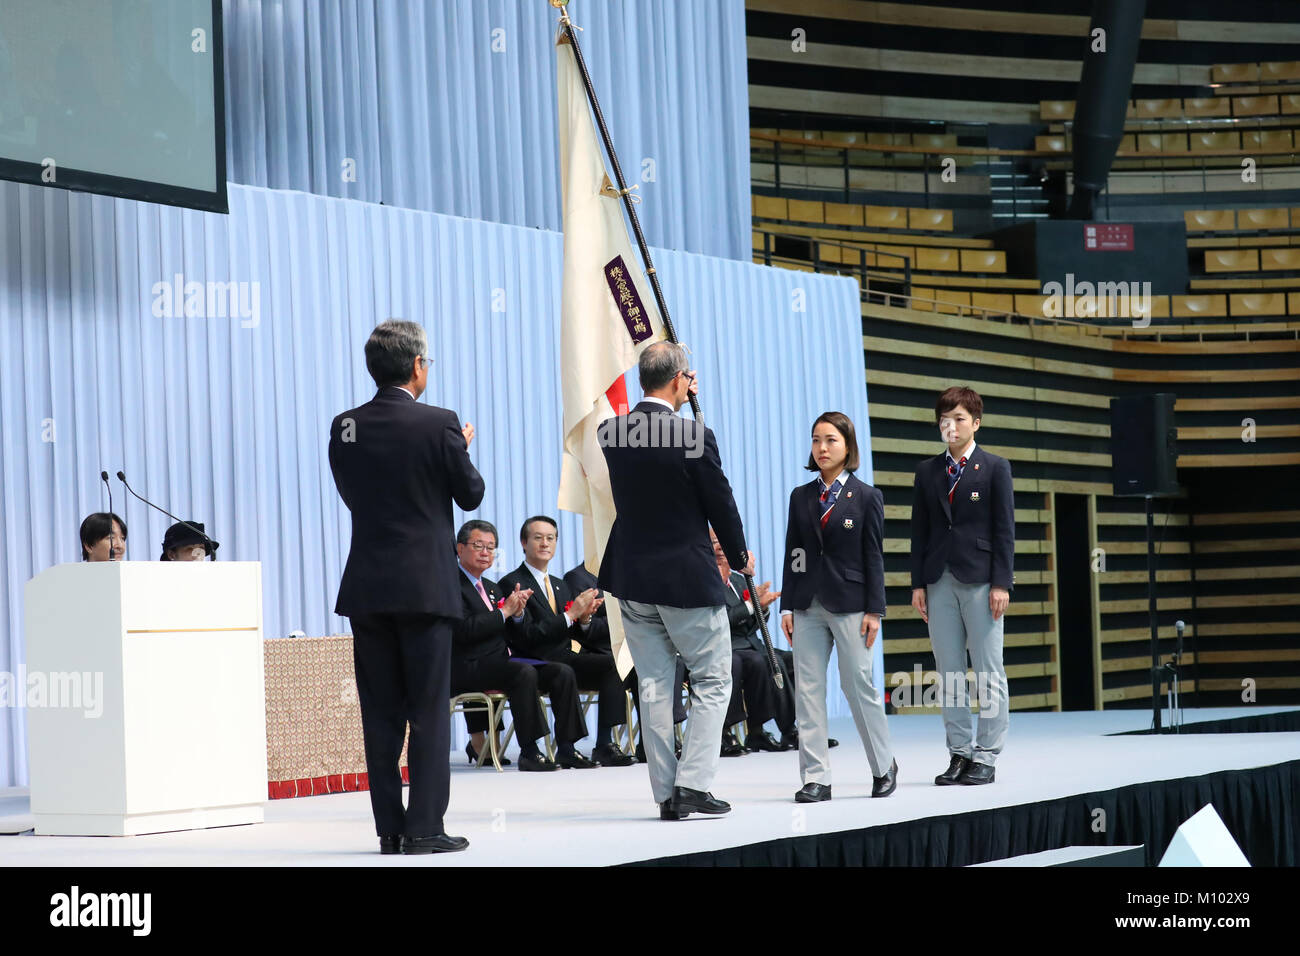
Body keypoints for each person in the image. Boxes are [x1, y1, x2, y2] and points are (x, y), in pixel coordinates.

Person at [328, 319, 484, 855]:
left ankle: (390, 829)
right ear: (418, 366)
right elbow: (470, 496)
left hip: (368, 586)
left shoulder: (344, 425)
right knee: (428, 709)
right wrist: (458, 450)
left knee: (381, 712)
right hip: (424, 588)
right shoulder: (440, 423)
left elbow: (354, 495)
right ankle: (425, 829)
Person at [598, 341, 751, 821]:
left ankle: (666, 793)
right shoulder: (695, 437)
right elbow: (718, 502)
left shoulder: (611, 433)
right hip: (685, 576)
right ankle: (693, 784)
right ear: (679, 379)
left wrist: (679, 395)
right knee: (712, 678)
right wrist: (740, 554)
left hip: (632, 575)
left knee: (654, 685)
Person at [780, 411, 897, 803]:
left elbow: (874, 557)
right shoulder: (801, 496)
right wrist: (787, 604)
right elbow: (794, 552)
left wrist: (874, 610)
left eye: (830, 440)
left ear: (847, 446)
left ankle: (883, 766)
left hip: (851, 604)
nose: (822, 447)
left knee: (857, 686)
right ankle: (816, 777)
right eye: (816, 440)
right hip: (808, 605)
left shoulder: (867, 497)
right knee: (808, 691)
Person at [910, 386, 1013, 786]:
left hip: (982, 580)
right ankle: (959, 752)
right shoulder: (927, 471)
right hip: (938, 581)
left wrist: (1001, 582)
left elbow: (1005, 531)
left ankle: (986, 754)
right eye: (944, 419)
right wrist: (918, 582)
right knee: (949, 671)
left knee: (988, 670)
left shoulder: (995, 467)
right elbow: (920, 531)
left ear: (976, 423)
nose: (950, 425)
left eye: (958, 419)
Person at [450, 520, 591, 772]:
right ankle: (529, 750)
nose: (485, 552)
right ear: (460, 549)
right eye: (478, 546)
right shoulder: (449, 586)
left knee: (561, 671)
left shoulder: (492, 589)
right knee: (522, 672)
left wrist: (517, 614)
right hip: (466, 666)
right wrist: (505, 612)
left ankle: (567, 748)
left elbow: (513, 633)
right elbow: (463, 631)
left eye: (491, 547)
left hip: (499, 662)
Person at [499, 516, 633, 767]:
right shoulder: (512, 582)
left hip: (563, 655)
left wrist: (584, 618)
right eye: (538, 538)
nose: (545, 543)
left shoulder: (560, 585)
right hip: (532, 659)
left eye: (550, 538)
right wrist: (570, 615)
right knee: (563, 671)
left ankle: (604, 744)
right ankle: (549, 749)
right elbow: (527, 635)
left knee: (613, 663)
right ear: (523, 543)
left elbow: (574, 631)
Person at [565, 560, 688, 762]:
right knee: (616, 666)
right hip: (596, 652)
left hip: (634, 649)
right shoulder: (578, 577)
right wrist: (626, 622)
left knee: (668, 662)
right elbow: (583, 626)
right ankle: (605, 744)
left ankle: (658, 740)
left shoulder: (629, 572)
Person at [709, 528, 784, 756]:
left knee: (786, 660)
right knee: (745, 662)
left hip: (747, 644)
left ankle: (780, 729)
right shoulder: (703, 579)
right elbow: (721, 620)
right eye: (714, 542)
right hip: (721, 646)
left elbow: (754, 624)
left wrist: (763, 608)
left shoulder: (740, 580)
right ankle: (726, 733)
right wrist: (752, 607)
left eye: (723, 542)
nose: (721, 547)